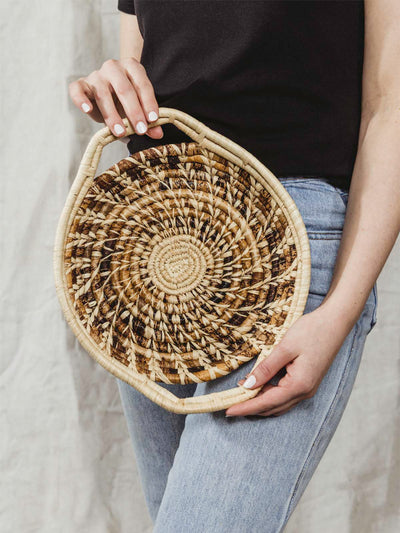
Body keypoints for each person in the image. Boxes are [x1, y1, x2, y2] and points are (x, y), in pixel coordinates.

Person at [68, 1, 400, 531]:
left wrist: (341, 312)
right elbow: (146, 72)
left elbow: (391, 106)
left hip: (289, 247)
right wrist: (113, 83)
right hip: (152, 255)